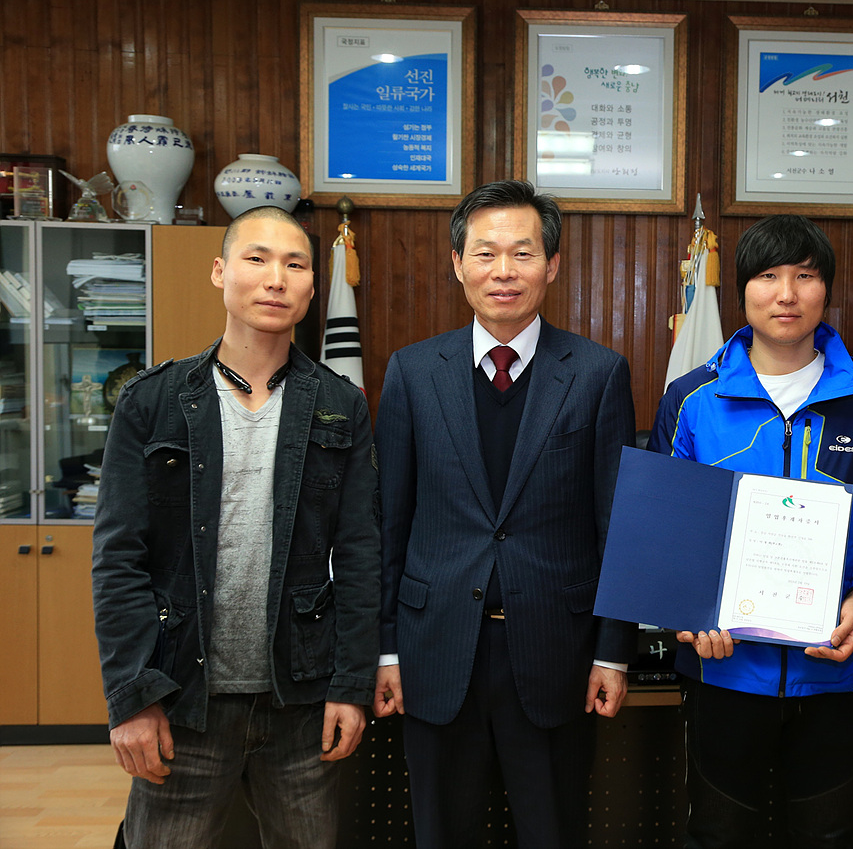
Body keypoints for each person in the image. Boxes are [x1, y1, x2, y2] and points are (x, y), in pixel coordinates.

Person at [91, 205, 381, 848]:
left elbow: (361, 554)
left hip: (301, 701)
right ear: (220, 272)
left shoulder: (340, 405)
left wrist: (351, 686)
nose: (275, 278)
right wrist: (132, 696)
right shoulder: (155, 401)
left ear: (312, 287)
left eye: (295, 263)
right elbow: (118, 559)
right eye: (257, 259)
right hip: (181, 697)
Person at [372, 179, 637, 848]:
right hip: (435, 649)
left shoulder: (598, 373)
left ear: (551, 265)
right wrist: (385, 649)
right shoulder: (411, 372)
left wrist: (613, 655)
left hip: (555, 650)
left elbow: (617, 525)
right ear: (456, 262)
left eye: (521, 253)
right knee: (443, 833)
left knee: (552, 831)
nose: (503, 270)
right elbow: (389, 522)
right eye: (485, 253)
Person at [647, 214, 853, 848]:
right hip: (723, 667)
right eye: (768, 276)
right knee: (717, 832)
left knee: (828, 833)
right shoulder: (691, 399)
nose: (786, 293)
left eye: (805, 275)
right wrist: (689, 609)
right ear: (742, 291)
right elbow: (665, 522)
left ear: (826, 290)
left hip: (835, 667)